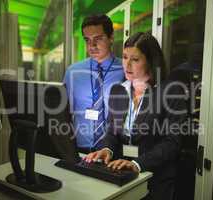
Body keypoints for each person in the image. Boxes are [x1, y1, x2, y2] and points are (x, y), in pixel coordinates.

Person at [84, 32, 187, 200]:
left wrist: (137, 163)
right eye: (125, 57)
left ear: (151, 61)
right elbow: (112, 132)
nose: (127, 65)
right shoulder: (119, 90)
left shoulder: (171, 92)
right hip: (120, 176)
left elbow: (172, 142)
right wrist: (106, 149)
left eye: (135, 59)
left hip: (155, 180)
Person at [63, 14, 124, 153]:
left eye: (98, 39)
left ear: (111, 37)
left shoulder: (126, 70)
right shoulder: (73, 72)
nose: (92, 45)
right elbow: (64, 113)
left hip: (114, 152)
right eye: (87, 40)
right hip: (80, 149)